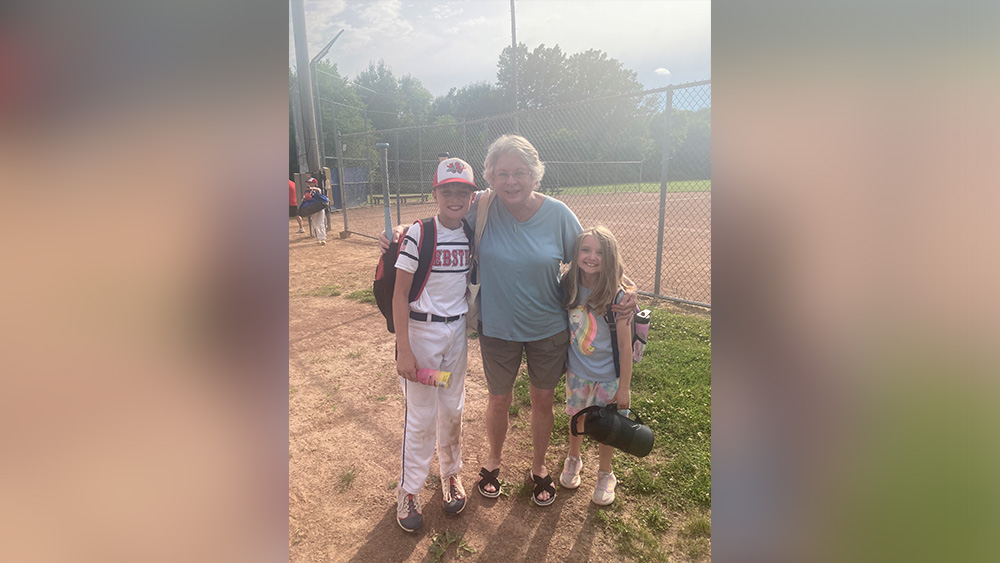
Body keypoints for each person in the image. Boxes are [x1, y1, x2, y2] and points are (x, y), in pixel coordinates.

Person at [381, 135, 636, 507]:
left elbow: (594, 256)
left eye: (520, 172)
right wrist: (402, 231)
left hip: (548, 329)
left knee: (542, 401)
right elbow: (444, 217)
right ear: (490, 178)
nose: (511, 181)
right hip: (497, 328)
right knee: (498, 401)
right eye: (502, 173)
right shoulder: (481, 207)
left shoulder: (558, 214)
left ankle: (539, 467)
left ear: (535, 175)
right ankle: (493, 462)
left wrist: (628, 288)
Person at [392, 157, 477, 532]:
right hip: (423, 334)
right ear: (435, 194)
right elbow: (400, 293)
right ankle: (410, 490)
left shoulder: (469, 232)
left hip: (455, 335)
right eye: (447, 191)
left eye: (463, 191)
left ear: (472, 196)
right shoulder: (420, 233)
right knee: (422, 415)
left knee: (452, 407)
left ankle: (450, 475)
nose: (455, 198)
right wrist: (404, 349)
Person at [557, 226, 634, 506]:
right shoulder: (568, 284)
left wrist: (624, 387)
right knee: (576, 418)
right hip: (578, 372)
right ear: (576, 253)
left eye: (600, 252)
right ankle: (573, 458)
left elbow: (625, 346)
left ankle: (605, 473)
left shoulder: (617, 296)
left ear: (609, 257)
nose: (591, 257)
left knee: (607, 426)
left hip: (609, 376)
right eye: (585, 250)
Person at [306, 178, 326, 245]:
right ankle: (318, 238)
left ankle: (323, 238)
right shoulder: (307, 191)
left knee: (320, 223)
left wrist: (311, 188)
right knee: (315, 224)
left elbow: (317, 190)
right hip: (313, 209)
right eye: (309, 183)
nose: (309, 184)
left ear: (315, 183)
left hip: (320, 208)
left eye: (311, 183)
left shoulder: (318, 190)